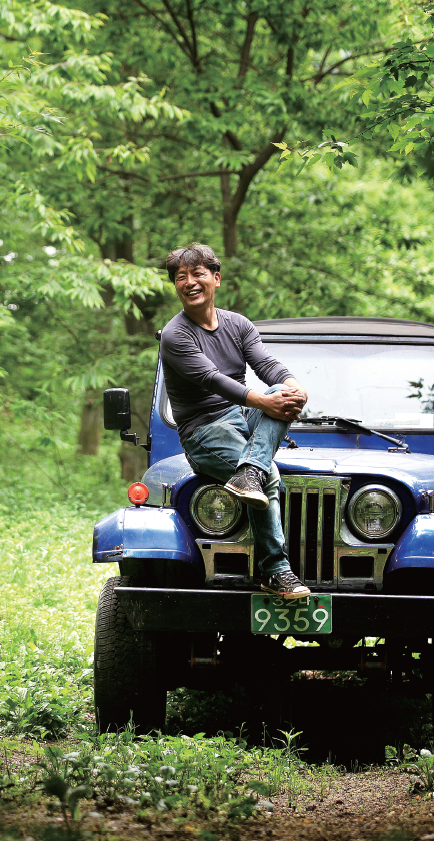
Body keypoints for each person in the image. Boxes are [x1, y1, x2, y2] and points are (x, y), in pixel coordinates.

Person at [159, 243, 311, 600]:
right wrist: (264, 400)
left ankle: (249, 472)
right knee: (271, 475)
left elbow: (266, 364)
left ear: (216, 278)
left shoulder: (238, 324)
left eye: (197, 274)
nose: (190, 282)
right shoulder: (175, 335)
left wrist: (293, 388)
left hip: (239, 418)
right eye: (181, 277)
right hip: (203, 431)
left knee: (280, 393)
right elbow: (212, 379)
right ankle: (275, 571)